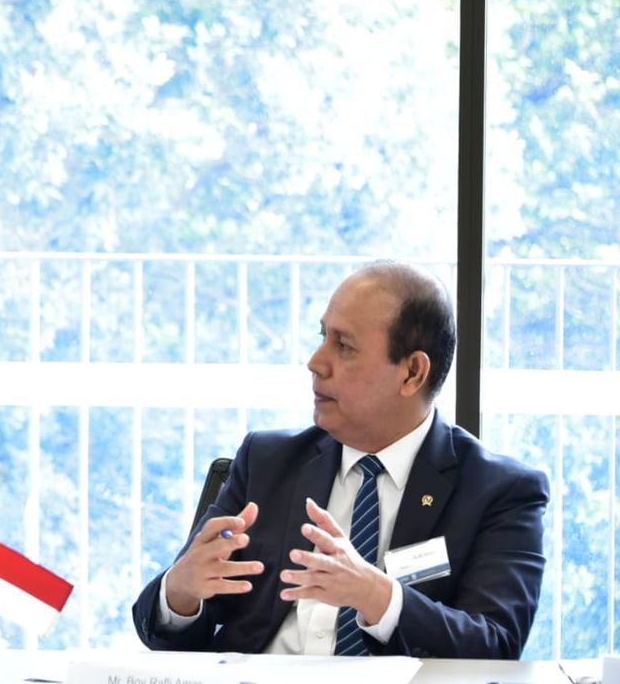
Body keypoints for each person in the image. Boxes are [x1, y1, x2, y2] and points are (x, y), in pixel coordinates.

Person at [133, 261, 548, 659]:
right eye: (322, 336)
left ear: (412, 373)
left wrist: (375, 595)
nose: (315, 362)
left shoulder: (501, 491)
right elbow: (164, 631)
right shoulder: (267, 461)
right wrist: (181, 593)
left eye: (344, 346)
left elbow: (495, 643)